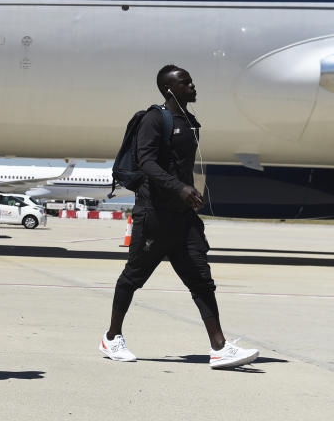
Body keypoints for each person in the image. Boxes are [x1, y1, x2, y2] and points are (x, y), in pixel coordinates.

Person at [100, 65, 259, 369]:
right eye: (186, 82)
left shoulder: (188, 121)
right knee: (133, 276)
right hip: (154, 215)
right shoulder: (154, 119)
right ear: (169, 89)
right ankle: (111, 337)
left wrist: (192, 193)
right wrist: (179, 188)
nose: (192, 85)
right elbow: (146, 162)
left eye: (191, 80)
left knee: (201, 280)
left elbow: (184, 167)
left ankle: (219, 348)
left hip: (183, 218)